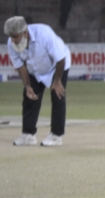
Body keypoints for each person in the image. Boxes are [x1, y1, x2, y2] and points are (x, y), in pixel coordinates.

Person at [5, 16, 71, 147]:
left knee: (57, 96)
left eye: (15, 36)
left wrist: (57, 81)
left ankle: (56, 136)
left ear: (25, 33)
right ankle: (28, 135)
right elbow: (20, 66)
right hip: (34, 70)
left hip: (56, 67)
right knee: (29, 97)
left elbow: (60, 59)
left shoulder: (44, 34)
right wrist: (27, 85)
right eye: (10, 36)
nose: (12, 40)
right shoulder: (11, 43)